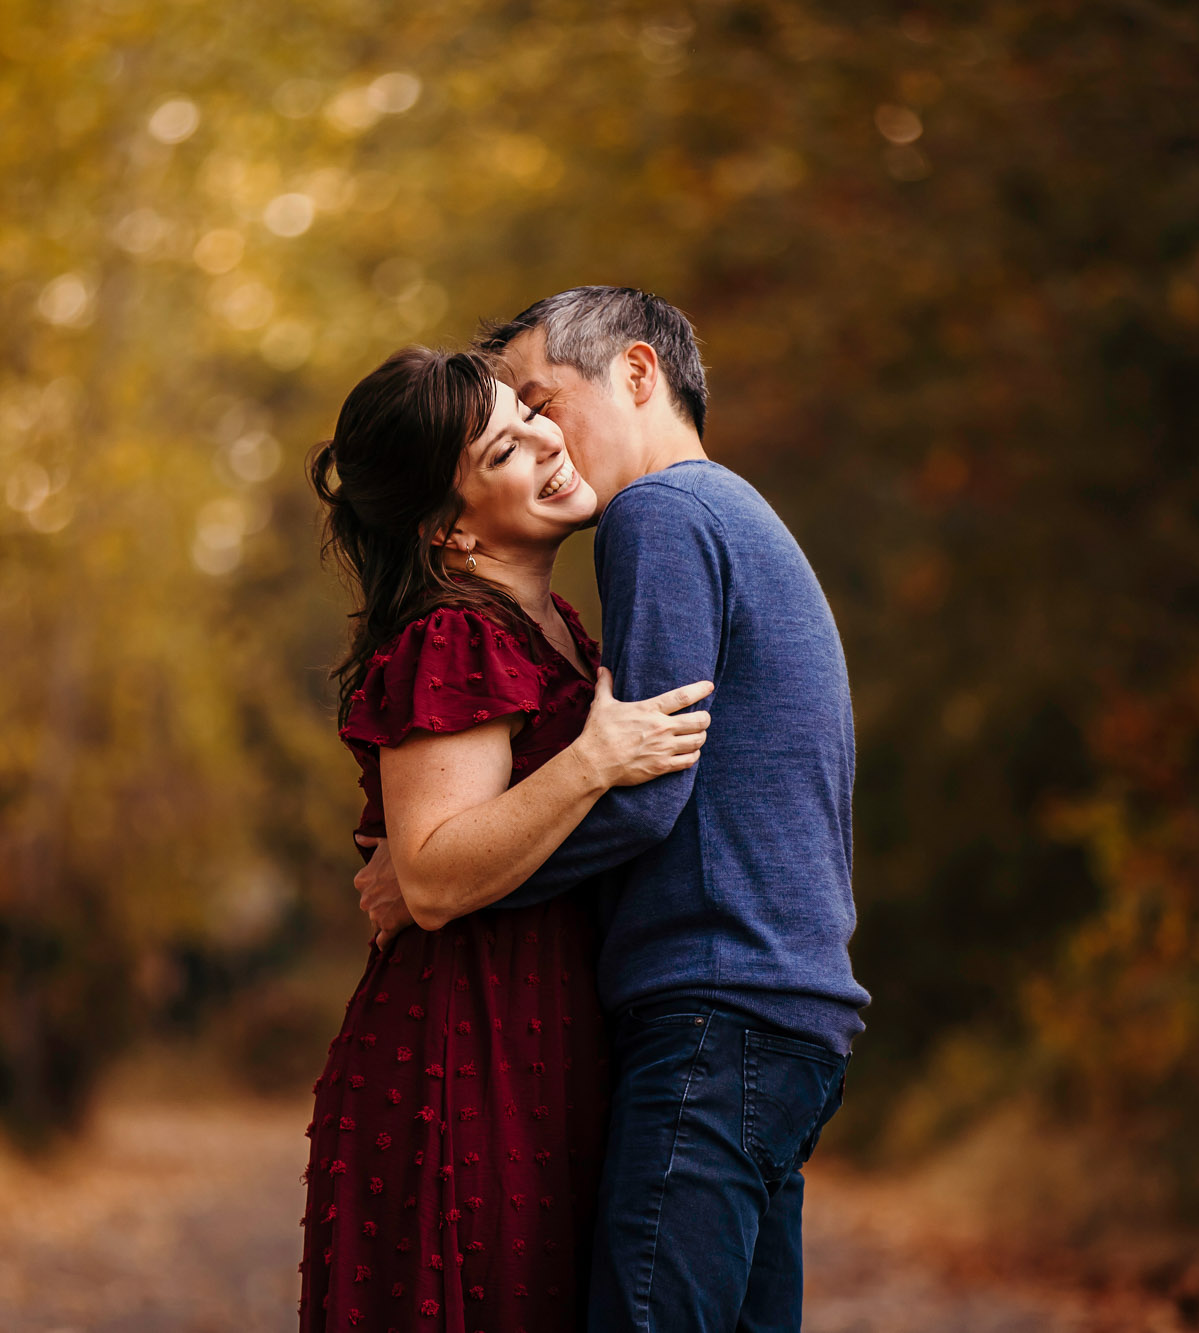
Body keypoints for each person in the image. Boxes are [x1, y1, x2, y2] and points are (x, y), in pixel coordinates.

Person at [357, 287, 872, 1332]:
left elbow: (645, 799)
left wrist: (435, 894)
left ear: (636, 374)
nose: (542, 434)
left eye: (539, 399)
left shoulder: (660, 513)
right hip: (784, 1009)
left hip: (714, 1009)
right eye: (511, 428)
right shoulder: (722, 511)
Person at [296, 345, 715, 1333]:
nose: (544, 441)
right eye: (500, 451)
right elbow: (434, 880)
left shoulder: (556, 623)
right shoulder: (455, 635)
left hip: (545, 1041)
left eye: (527, 416)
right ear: (445, 530)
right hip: (459, 1059)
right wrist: (592, 760)